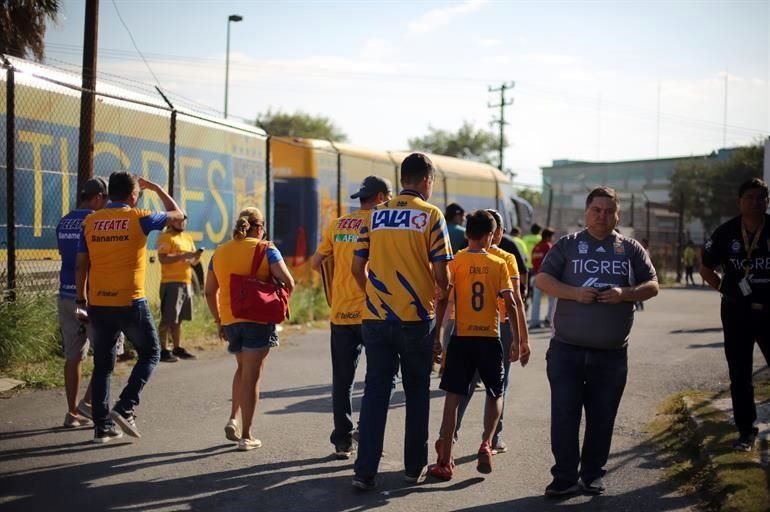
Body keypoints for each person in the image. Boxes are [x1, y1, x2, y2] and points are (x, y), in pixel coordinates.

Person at [536, 186, 658, 497]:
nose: (602, 215)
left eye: (609, 211)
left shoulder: (630, 249)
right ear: (586, 213)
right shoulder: (567, 245)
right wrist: (575, 293)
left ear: (618, 215)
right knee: (564, 414)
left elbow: (652, 285)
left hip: (611, 354)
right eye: (597, 210)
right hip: (566, 350)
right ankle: (563, 477)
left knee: (602, 417)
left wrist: (625, 294)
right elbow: (542, 280)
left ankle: (591, 474)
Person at [350, 152, 452, 490]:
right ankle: (413, 468)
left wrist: (375, 295)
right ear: (426, 181)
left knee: (376, 392)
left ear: (402, 179)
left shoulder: (375, 216)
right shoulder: (431, 216)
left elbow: (355, 268)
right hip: (415, 318)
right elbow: (442, 274)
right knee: (416, 392)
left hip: (376, 317)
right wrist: (440, 299)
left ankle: (365, 472)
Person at [76, 172, 185, 443]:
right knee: (151, 353)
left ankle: (101, 427)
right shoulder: (139, 217)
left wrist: (81, 300)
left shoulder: (90, 221)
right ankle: (125, 406)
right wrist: (157, 187)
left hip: (98, 301)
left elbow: (81, 264)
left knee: (103, 364)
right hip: (130, 300)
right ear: (133, 195)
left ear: (110, 192)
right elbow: (179, 215)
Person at [429, 210, 527, 481]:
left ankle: (445, 461)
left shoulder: (456, 262)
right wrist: (518, 339)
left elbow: (444, 300)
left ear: (468, 232)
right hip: (490, 337)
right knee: (496, 392)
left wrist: (438, 336)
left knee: (453, 396)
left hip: (461, 338)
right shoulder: (498, 264)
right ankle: (487, 442)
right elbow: (512, 301)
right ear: (489, 236)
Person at [310, 175, 392, 459]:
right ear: (381, 196)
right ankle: (366, 430)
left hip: (340, 312)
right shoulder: (380, 223)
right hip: (372, 311)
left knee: (342, 380)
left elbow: (316, 262)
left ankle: (342, 441)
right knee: (378, 377)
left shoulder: (338, 224)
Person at [205, 207, 295, 451]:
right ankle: (247, 435)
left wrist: (219, 319)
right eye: (263, 226)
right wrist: (281, 304)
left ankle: (233, 418)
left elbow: (209, 291)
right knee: (253, 376)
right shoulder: (267, 249)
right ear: (258, 227)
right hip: (258, 319)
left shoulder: (220, 252)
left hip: (230, 319)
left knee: (242, 368)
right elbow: (289, 282)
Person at [451, 208, 530, 457]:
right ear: (498, 233)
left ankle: (450, 438)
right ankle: (493, 438)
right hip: (502, 325)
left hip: (466, 324)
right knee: (498, 385)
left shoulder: (462, 256)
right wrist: (523, 340)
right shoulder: (505, 258)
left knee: (463, 385)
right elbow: (515, 298)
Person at [700, 177, 770, 452]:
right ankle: (745, 430)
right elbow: (705, 268)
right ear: (740, 202)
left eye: (761, 198)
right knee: (740, 373)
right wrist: (726, 291)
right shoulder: (725, 233)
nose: (755, 202)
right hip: (736, 313)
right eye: (750, 197)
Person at [57, 177, 108, 428]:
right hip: (89, 298)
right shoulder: (94, 222)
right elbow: (88, 261)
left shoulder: (64, 220)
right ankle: (86, 405)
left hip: (66, 296)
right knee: (107, 352)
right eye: (106, 199)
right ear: (98, 197)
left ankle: (72, 413)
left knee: (73, 356)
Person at [157, 217, 201, 362]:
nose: (182, 223)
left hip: (185, 281)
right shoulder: (166, 237)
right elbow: (162, 259)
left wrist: (196, 256)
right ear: (171, 222)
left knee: (179, 319)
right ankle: (163, 350)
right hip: (170, 282)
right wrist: (182, 256)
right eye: (178, 220)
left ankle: (177, 347)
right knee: (168, 318)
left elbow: (193, 261)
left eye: (184, 220)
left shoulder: (187, 237)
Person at [530, 227, 556, 328]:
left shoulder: (536, 247)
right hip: (547, 276)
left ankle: (534, 321)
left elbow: (533, 261)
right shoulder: (548, 246)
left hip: (536, 275)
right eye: (551, 236)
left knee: (536, 301)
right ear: (548, 236)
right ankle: (549, 319)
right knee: (552, 300)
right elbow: (552, 261)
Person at [498, 228, 529, 300]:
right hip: (507, 291)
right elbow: (523, 268)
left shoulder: (473, 244)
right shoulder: (515, 242)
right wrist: (524, 289)